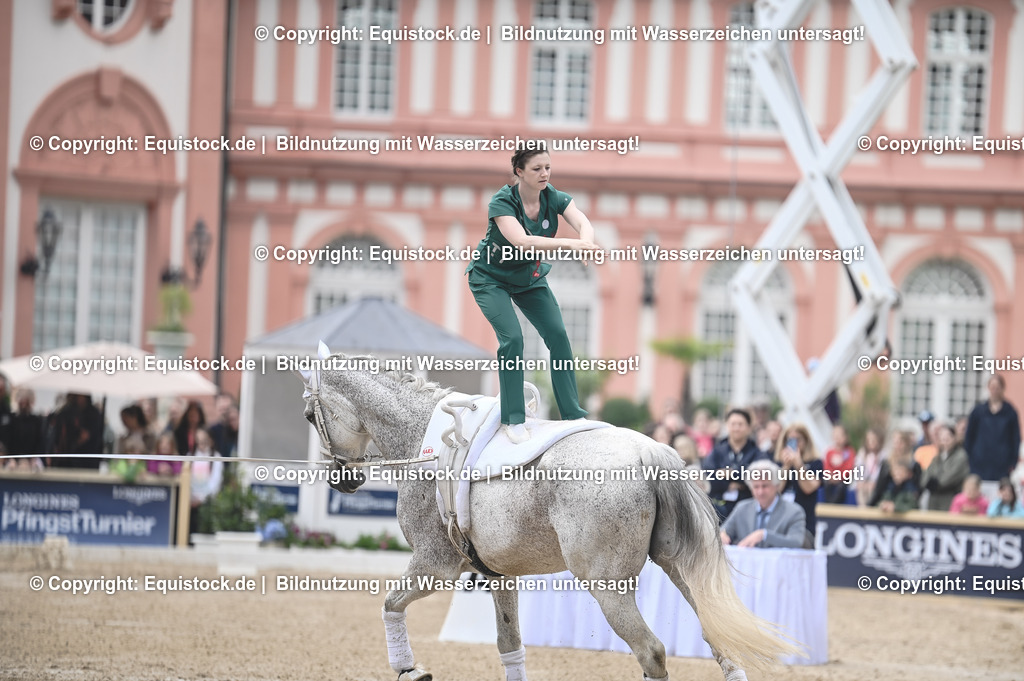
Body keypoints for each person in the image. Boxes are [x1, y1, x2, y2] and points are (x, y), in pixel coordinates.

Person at [465, 145, 601, 443]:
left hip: (529, 278)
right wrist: (570, 245)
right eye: (537, 168)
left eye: (548, 167)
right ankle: (513, 418)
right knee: (513, 338)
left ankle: (572, 414)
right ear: (519, 172)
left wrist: (586, 241)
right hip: (490, 279)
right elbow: (522, 241)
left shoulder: (554, 196)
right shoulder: (502, 202)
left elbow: (581, 221)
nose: (544, 174)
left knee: (558, 335)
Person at [720, 460, 809, 548]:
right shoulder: (742, 508)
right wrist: (722, 536)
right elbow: (724, 531)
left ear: (777, 486)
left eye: (765, 486)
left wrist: (765, 535)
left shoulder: (794, 512)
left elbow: (796, 542)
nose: (760, 492)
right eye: (756, 487)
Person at [703, 408, 765, 521]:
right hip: (719, 509)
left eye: (740, 424)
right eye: (733, 424)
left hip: (748, 509)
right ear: (727, 425)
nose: (736, 428)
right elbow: (707, 476)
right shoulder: (717, 451)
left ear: (749, 427)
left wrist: (732, 473)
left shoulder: (757, 453)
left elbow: (758, 476)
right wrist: (728, 485)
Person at [964, 375, 1021, 497]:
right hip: (979, 464)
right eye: (992, 387)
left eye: (997, 387)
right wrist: (970, 457)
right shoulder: (978, 411)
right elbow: (969, 436)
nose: (994, 390)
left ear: (1003, 389)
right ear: (988, 388)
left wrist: (1013, 462)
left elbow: (1015, 438)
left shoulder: (1010, 412)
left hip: (1001, 465)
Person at [773, 422, 822, 534]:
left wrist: (799, 465)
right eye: (790, 440)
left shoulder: (816, 463)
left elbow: (808, 488)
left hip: (804, 520)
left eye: (798, 440)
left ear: (806, 441)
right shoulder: (778, 463)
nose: (794, 444)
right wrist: (786, 467)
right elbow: (776, 489)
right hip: (780, 519)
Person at [920, 423, 970, 512]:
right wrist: (927, 483)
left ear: (954, 438)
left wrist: (937, 483)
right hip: (933, 498)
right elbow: (927, 474)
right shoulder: (937, 457)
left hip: (950, 498)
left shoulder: (961, 456)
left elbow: (950, 476)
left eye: (948, 436)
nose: (945, 440)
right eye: (942, 437)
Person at [868, 430, 921, 508]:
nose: (897, 446)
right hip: (886, 501)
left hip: (905, 503)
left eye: (900, 443)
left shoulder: (913, 465)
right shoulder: (886, 464)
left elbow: (917, 490)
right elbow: (879, 488)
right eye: (895, 443)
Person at [7, 388, 45, 463]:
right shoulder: (12, 419)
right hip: (14, 459)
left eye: (26, 403)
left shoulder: (36, 420)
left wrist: (34, 458)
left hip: (32, 459)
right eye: (22, 403)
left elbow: (40, 441)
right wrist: (12, 459)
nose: (24, 406)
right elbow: (9, 440)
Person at [822, 424, 855, 504]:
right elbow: (826, 466)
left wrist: (839, 477)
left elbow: (848, 468)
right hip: (831, 477)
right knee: (826, 484)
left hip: (843, 479)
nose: (837, 438)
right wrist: (831, 476)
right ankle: (827, 503)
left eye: (840, 436)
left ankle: (835, 504)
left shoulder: (849, 452)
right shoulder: (829, 452)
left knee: (841, 487)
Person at [854, 428, 887, 507]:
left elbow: (880, 472)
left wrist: (873, 481)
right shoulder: (862, 454)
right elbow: (858, 469)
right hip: (864, 482)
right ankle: (862, 510)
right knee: (861, 488)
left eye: (873, 440)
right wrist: (861, 481)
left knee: (871, 488)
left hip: (876, 483)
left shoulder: (883, 455)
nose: (871, 442)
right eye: (869, 440)